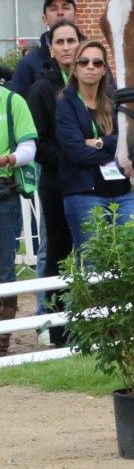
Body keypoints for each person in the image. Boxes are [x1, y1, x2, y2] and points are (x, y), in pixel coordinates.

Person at [26, 19, 84, 345]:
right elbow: (40, 142)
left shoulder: (96, 81)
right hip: (57, 182)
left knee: (91, 252)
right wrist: (76, 155)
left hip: (92, 183)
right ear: (51, 49)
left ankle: (93, 322)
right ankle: (58, 328)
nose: (66, 47)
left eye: (70, 40)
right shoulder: (41, 89)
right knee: (59, 253)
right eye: (59, 42)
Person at [55, 40, 134, 252]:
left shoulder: (115, 103)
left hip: (121, 191)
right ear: (75, 68)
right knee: (93, 260)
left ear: (104, 70)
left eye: (97, 63)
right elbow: (75, 152)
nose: (90, 67)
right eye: (84, 62)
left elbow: (128, 140)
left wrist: (99, 142)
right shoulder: (66, 103)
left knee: (131, 252)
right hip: (83, 192)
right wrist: (115, 150)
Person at [0, 82, 38, 355]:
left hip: (3, 192)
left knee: (3, 267)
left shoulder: (13, 101)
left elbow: (28, 148)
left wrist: (9, 159)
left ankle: (2, 338)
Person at [9, 0, 78, 97]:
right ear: (44, 19)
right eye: (53, 9)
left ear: (75, 16)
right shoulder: (28, 64)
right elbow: (17, 104)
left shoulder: (92, 57)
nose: (60, 12)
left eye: (65, 7)